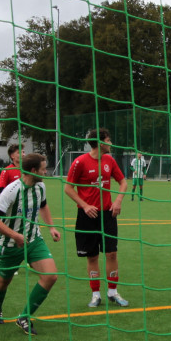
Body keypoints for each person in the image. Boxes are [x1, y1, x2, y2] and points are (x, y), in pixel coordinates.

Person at [0, 153, 62, 335]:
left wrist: (51, 227)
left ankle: (24, 317)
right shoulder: (12, 190)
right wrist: (16, 236)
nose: (46, 171)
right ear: (33, 170)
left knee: (51, 276)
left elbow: (43, 205)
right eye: (43, 169)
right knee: (3, 282)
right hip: (10, 245)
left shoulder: (41, 186)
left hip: (34, 240)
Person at [65, 128, 131, 308]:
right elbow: (68, 188)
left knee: (111, 253)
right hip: (87, 216)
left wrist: (118, 200)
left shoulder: (110, 160)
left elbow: (123, 182)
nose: (111, 143)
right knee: (92, 257)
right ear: (101, 142)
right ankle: (95, 295)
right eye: (109, 140)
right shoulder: (80, 162)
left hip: (108, 214)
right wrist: (85, 206)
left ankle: (113, 292)